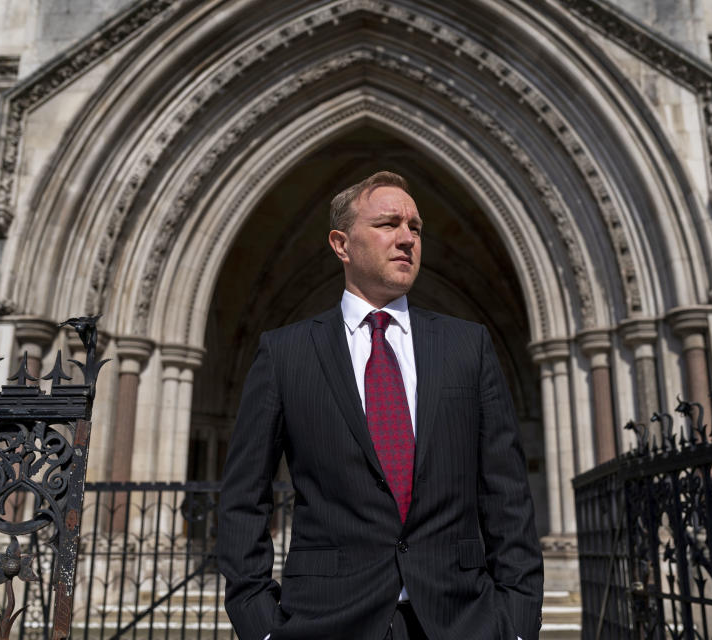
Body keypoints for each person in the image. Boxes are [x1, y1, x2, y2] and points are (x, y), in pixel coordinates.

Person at [217, 171, 543, 640]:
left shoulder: (467, 346)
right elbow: (244, 496)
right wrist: (261, 625)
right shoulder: (284, 353)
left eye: (415, 227)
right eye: (388, 224)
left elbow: (507, 494)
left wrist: (516, 622)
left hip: (461, 620)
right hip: (325, 621)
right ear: (341, 244)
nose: (407, 238)